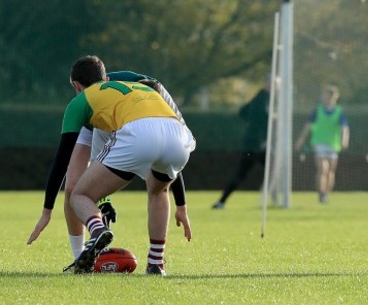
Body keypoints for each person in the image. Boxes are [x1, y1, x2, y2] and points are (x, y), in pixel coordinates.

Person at [34, 55, 195, 275]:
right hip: (176, 135)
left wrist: (46, 211)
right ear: (105, 77)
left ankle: (95, 233)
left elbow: (62, 159)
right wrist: (182, 207)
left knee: (77, 194)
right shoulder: (143, 87)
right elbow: (161, 136)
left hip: (133, 130)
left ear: (75, 85)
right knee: (159, 189)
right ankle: (156, 264)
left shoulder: (82, 101)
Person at [212, 75, 271, 209]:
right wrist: (260, 131)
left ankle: (221, 201)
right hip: (256, 145)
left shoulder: (261, 97)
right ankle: (221, 201)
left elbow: (243, 112)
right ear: (267, 83)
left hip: (256, 144)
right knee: (244, 173)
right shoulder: (263, 99)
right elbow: (256, 115)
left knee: (271, 172)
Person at [294, 85, 350, 204]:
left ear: (332, 97)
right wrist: (300, 140)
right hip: (319, 143)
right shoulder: (317, 110)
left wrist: (344, 140)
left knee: (330, 171)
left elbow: (344, 128)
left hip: (333, 145)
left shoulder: (339, 112)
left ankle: (326, 193)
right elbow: (308, 126)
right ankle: (321, 193)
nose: (323, 98)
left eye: (325, 95)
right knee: (322, 169)